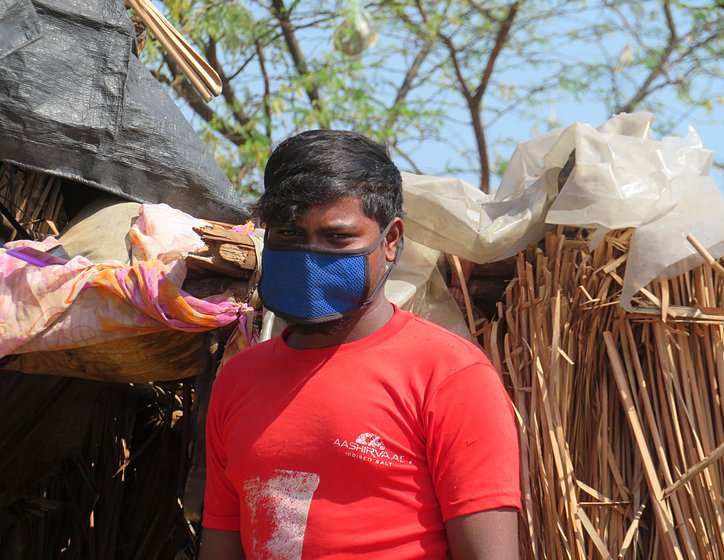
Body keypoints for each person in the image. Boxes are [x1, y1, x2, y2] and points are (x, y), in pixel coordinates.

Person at [199, 130, 521, 559]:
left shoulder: (449, 375)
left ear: (390, 241)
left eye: (336, 238)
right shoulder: (238, 378)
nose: (310, 257)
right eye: (290, 234)